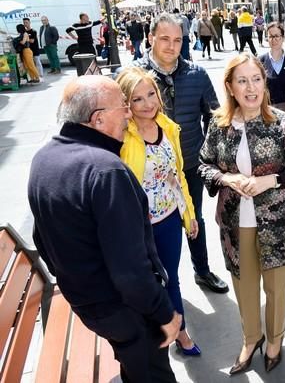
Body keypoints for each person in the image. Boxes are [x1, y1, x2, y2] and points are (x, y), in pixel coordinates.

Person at [28, 76, 182, 382]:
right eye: (122, 107)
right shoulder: (106, 171)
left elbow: (40, 239)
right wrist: (165, 313)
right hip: (124, 310)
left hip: (87, 302)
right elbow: (130, 270)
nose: (128, 114)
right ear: (98, 119)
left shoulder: (44, 158)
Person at [198, 53, 285, 374]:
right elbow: (204, 164)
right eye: (242, 81)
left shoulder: (281, 122)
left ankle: (274, 340)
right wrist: (225, 177)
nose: (251, 88)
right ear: (230, 87)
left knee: (276, 287)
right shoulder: (219, 126)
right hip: (235, 223)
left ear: (264, 83)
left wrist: (270, 180)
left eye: (256, 79)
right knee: (244, 285)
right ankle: (251, 338)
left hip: (276, 222)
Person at [132, 12, 229, 295]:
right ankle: (160, 281)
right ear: (150, 38)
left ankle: (202, 270)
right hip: (146, 171)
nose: (171, 46)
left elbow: (213, 116)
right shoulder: (133, 77)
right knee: (150, 227)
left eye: (177, 39)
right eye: (164, 39)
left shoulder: (196, 74)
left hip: (188, 164)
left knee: (193, 217)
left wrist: (208, 155)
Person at [116, 67, 202, 357]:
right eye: (137, 99)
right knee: (147, 286)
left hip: (168, 221)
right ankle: (154, 341)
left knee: (171, 279)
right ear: (126, 104)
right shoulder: (122, 139)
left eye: (151, 93)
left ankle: (181, 333)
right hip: (139, 227)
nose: (148, 103)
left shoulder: (168, 127)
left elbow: (177, 175)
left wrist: (188, 214)